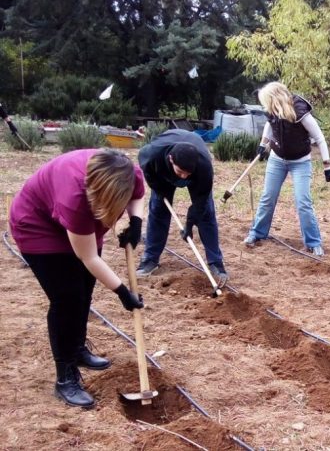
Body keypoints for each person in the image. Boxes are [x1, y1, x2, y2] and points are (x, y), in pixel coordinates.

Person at [9, 149, 146, 408]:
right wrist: (122, 293)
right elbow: (89, 258)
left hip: (82, 225)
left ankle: (78, 348)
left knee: (85, 287)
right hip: (38, 228)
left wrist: (136, 221)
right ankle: (65, 377)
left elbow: (138, 195)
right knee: (67, 299)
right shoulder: (74, 197)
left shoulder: (127, 172)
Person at [244, 82, 330, 256]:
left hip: (300, 162)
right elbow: (270, 125)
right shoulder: (272, 110)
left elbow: (320, 139)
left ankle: (313, 242)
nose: (265, 105)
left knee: (303, 202)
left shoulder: (301, 112)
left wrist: (327, 166)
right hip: (277, 159)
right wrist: (263, 144)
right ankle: (257, 233)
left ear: (275, 99)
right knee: (267, 197)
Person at [135, 129, 227, 284]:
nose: (183, 176)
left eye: (187, 173)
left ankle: (216, 263)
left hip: (196, 174)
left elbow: (200, 203)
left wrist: (189, 225)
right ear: (171, 159)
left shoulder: (203, 167)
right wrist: (158, 188)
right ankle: (150, 259)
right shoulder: (152, 155)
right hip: (162, 174)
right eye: (180, 172)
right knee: (159, 209)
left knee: (206, 214)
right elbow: (148, 172)